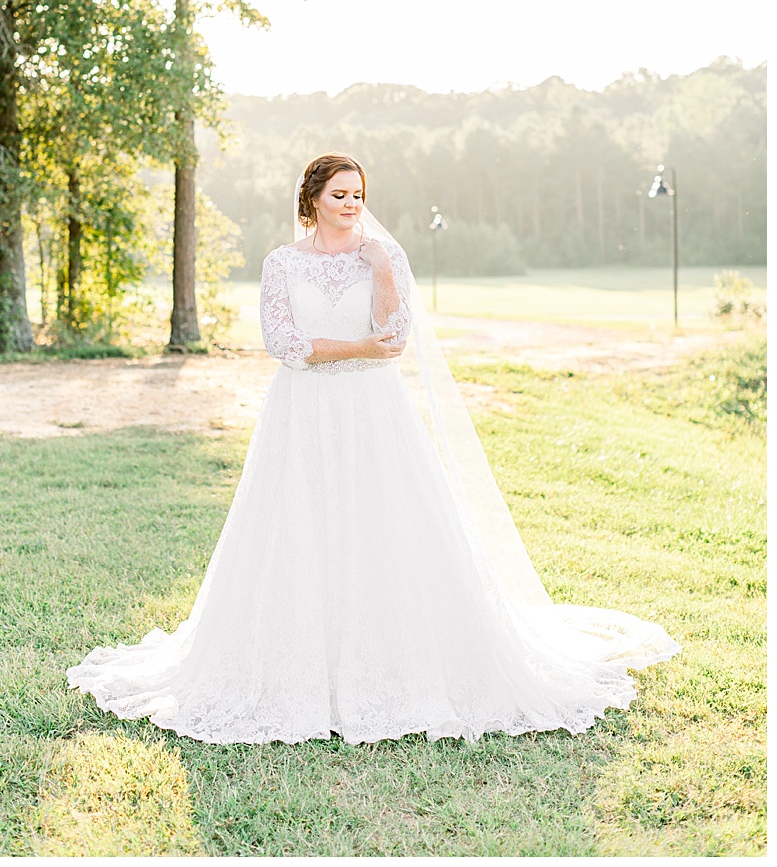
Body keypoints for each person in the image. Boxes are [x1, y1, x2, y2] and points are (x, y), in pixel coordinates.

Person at [67, 152, 676, 745]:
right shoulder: (282, 262)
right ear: (312, 200)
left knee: (386, 523)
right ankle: (302, 669)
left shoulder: (385, 256)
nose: (352, 205)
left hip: (375, 413)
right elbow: (283, 342)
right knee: (298, 523)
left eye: (359, 195)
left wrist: (382, 269)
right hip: (301, 412)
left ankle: (396, 661)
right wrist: (354, 349)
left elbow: (395, 337)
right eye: (340, 195)